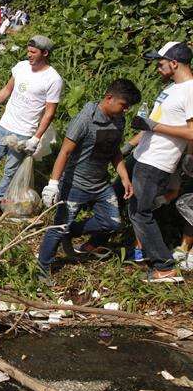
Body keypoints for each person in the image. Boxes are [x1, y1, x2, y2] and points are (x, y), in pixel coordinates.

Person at [37, 79, 142, 280]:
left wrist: (124, 177)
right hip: (75, 184)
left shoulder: (119, 120)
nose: (125, 110)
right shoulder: (85, 119)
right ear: (109, 98)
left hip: (100, 183)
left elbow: (115, 152)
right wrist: (53, 184)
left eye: (128, 107)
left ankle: (71, 231)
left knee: (112, 224)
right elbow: (65, 152)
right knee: (58, 227)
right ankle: (43, 268)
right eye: (123, 105)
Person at [0, 35, 63, 219]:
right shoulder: (20, 67)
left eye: (33, 52)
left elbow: (50, 112)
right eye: (28, 51)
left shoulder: (53, 79)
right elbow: (7, 90)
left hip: (24, 132)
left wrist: (36, 138)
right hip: (4, 125)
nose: (29, 55)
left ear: (45, 53)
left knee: (10, 171)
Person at [124, 42, 193, 282]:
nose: (157, 68)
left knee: (140, 212)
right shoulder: (172, 88)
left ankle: (164, 266)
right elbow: (152, 122)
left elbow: (192, 133)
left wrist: (156, 127)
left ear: (175, 63)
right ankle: (138, 251)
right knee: (128, 204)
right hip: (143, 155)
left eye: (161, 63)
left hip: (158, 161)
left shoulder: (190, 90)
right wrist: (130, 144)